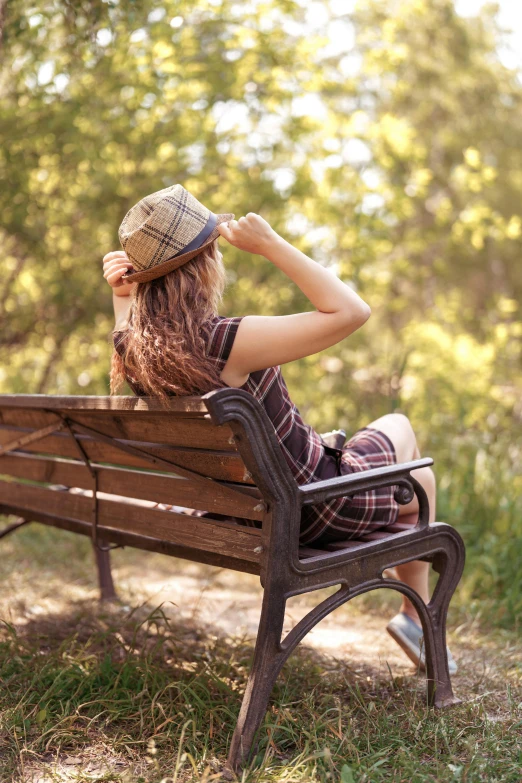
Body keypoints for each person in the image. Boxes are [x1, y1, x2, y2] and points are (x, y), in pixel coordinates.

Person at [104, 184, 456, 674]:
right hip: (310, 506)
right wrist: (271, 244)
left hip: (243, 513)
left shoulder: (136, 352)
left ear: (146, 281)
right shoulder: (226, 342)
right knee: (410, 457)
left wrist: (125, 294)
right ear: (205, 264)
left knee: (390, 455)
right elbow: (352, 311)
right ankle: (414, 617)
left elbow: (126, 328)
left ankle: (413, 618)